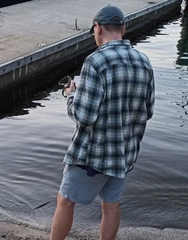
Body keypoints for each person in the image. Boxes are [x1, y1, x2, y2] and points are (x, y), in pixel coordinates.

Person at [50, 5, 155, 240]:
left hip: (92, 156)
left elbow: (85, 116)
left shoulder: (95, 61)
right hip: (124, 153)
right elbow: (148, 110)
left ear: (97, 28)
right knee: (111, 205)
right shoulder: (144, 61)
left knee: (65, 201)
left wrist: (71, 96)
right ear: (123, 28)